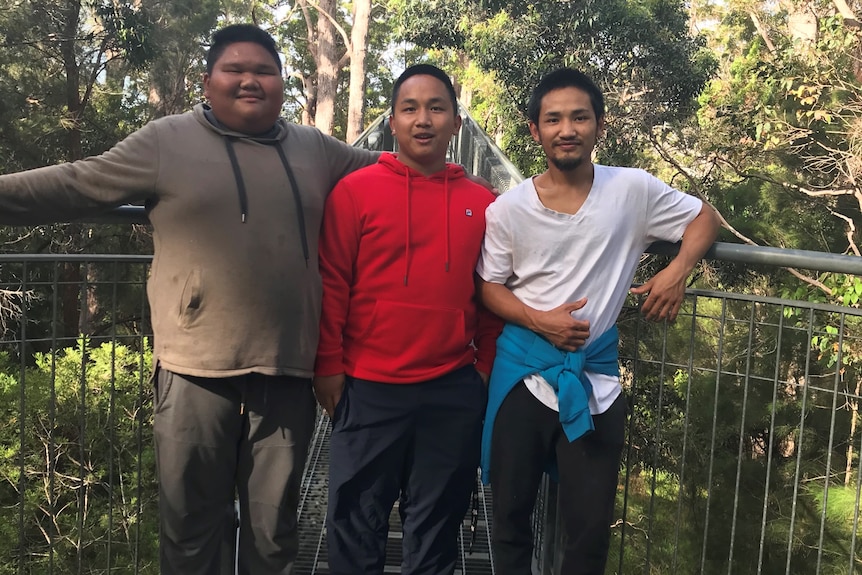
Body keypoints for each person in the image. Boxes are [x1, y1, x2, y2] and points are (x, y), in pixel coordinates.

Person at [0, 23, 383, 575]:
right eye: (235, 70)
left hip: (287, 369)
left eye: (264, 71)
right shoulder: (165, 141)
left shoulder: (314, 149)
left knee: (273, 533)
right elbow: (78, 182)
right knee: (191, 530)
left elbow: (396, 178)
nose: (250, 80)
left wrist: (493, 200)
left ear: (281, 81)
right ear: (208, 81)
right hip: (194, 369)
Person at [476, 68, 720, 575]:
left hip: (596, 379)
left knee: (589, 530)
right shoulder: (508, 210)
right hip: (522, 372)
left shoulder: (632, 190)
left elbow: (705, 217)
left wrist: (676, 271)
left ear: (599, 125)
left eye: (579, 117)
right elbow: (488, 286)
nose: (567, 129)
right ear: (534, 131)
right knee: (509, 519)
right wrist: (539, 320)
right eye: (554, 119)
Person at [312, 64, 502, 575]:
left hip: (450, 389)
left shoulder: (483, 204)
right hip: (367, 387)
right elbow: (332, 284)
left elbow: (492, 294)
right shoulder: (354, 193)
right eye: (410, 108)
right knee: (355, 525)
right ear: (392, 121)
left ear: (456, 123)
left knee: (437, 529)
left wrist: (481, 365)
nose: (424, 120)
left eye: (437, 108)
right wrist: (327, 364)